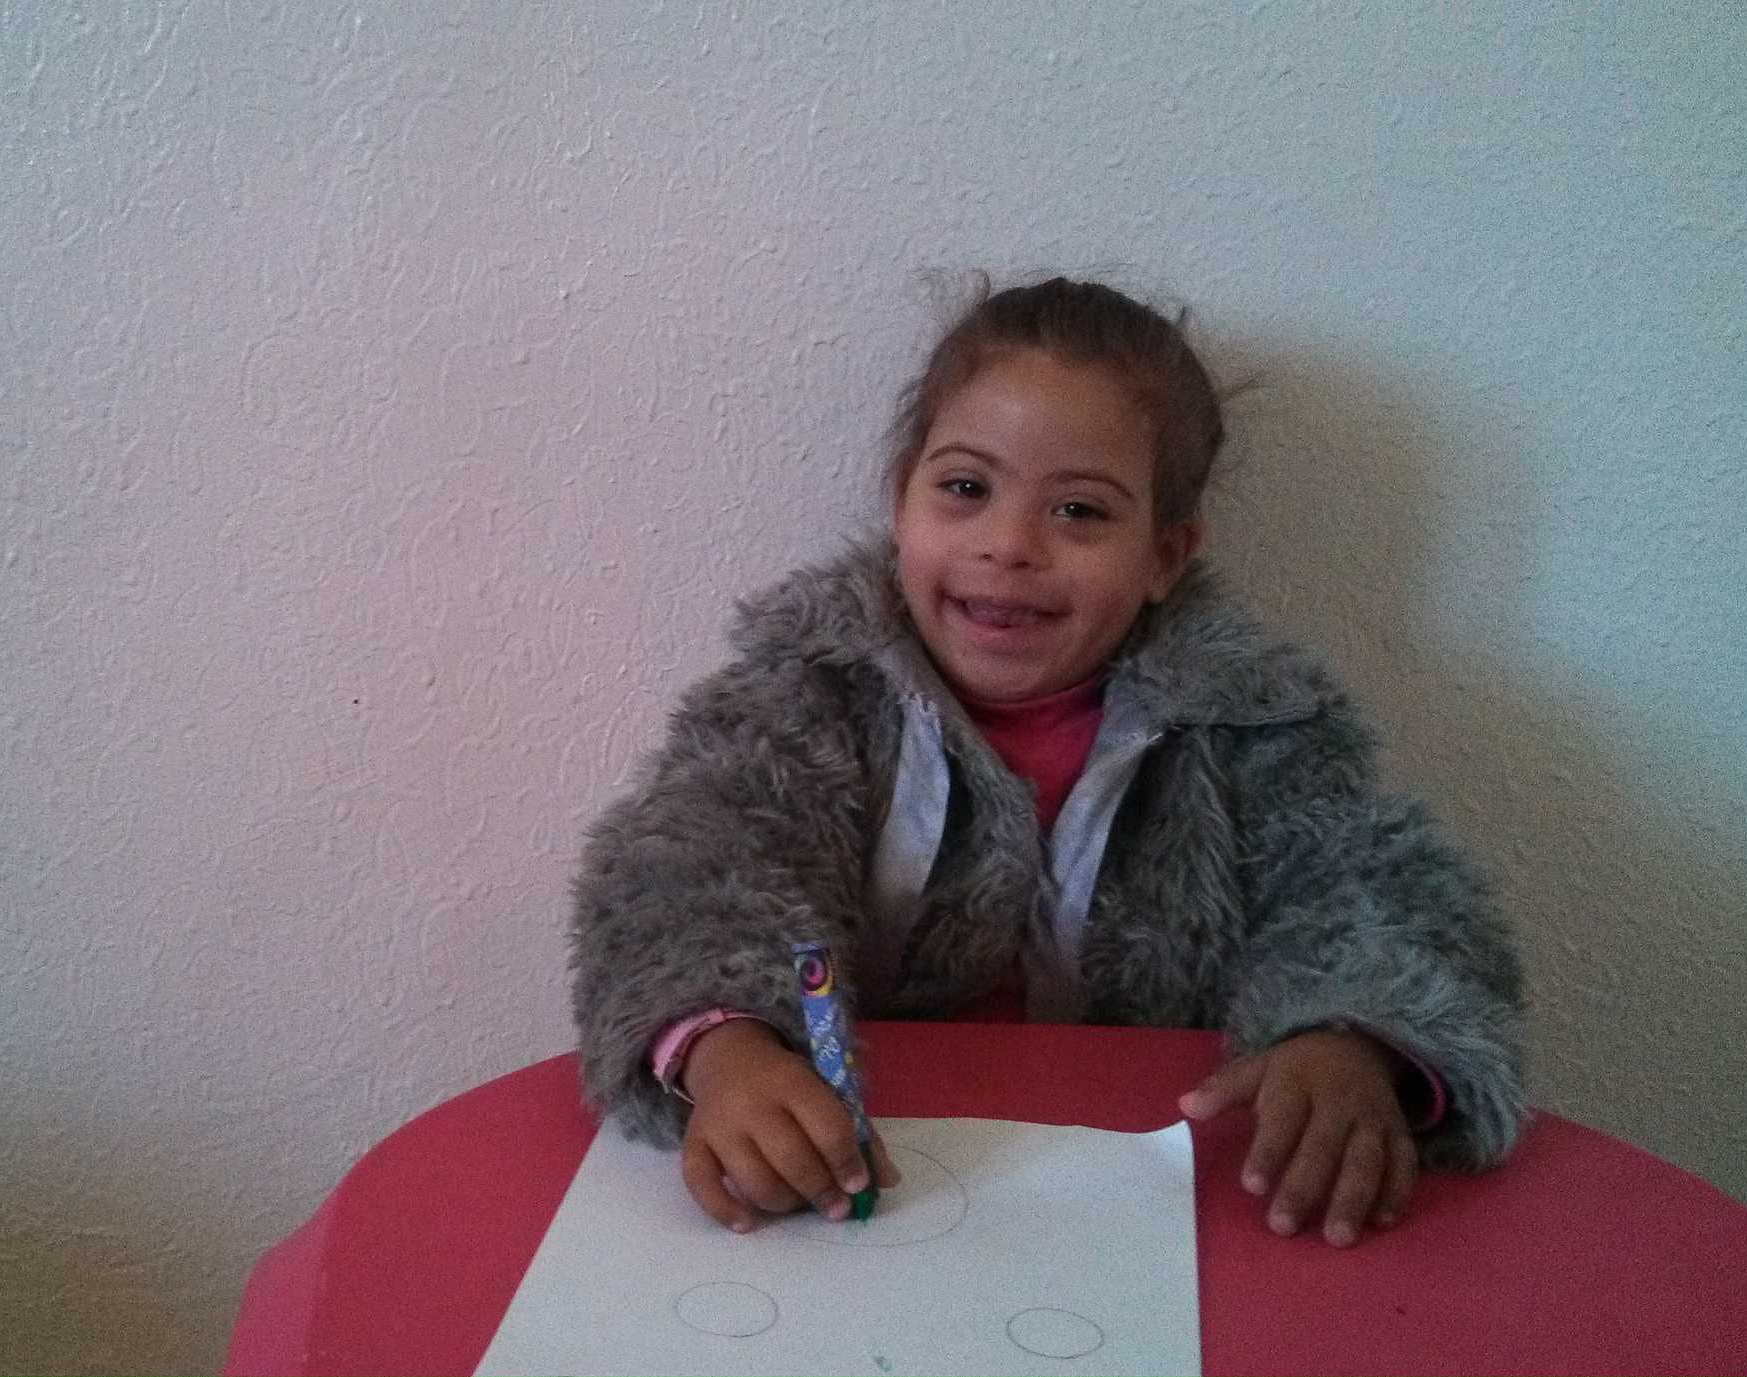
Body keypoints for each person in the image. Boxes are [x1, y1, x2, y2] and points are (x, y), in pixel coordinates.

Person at [567, 276, 1526, 1249]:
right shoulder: (809, 691)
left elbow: (1379, 891)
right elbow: (684, 871)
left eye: (1078, 510)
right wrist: (729, 1051)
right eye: (966, 489)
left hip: (1159, 1194)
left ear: (1165, 556)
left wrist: (1351, 1040)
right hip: (868, 1181)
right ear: (900, 502)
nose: (1010, 545)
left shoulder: (1251, 725)